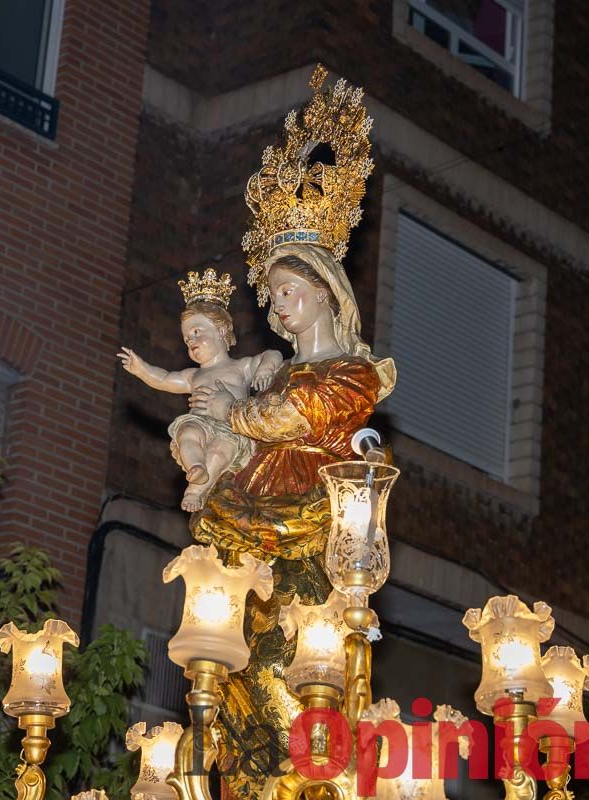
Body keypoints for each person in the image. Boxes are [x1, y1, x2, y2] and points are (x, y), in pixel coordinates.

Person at [184, 244, 395, 798]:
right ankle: (251, 770)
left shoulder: (352, 373)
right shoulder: (268, 375)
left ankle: (304, 768)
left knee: (297, 653)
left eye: (286, 291)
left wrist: (228, 413)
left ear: (323, 291)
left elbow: (291, 417)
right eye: (271, 295)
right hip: (248, 513)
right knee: (236, 658)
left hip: (311, 517)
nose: (276, 307)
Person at [118, 269, 283, 511]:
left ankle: (196, 489)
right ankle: (196, 467)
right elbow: (164, 379)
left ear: (221, 331)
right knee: (186, 434)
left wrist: (264, 371)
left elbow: (273, 354)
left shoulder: (240, 367)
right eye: (186, 339)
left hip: (230, 430)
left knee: (219, 451)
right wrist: (142, 370)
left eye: (197, 333)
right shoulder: (193, 375)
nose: (191, 341)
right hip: (200, 423)